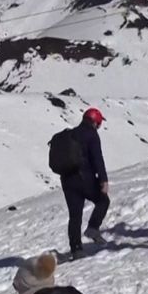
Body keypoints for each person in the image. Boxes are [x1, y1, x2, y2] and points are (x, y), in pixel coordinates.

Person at [60, 108, 109, 260]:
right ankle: (93, 228)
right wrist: (103, 180)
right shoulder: (91, 135)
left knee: (75, 215)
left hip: (67, 180)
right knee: (103, 200)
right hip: (84, 178)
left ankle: (76, 249)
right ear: (95, 122)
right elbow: (97, 159)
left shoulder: (72, 133)